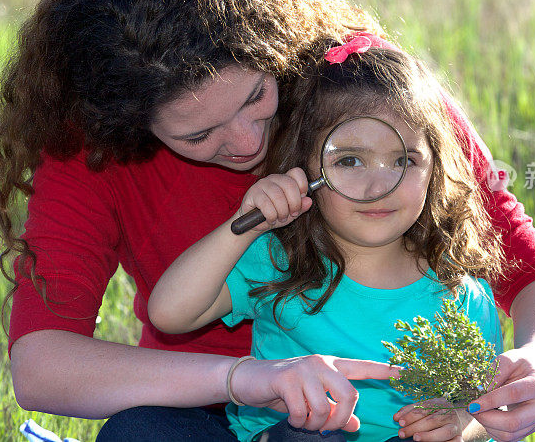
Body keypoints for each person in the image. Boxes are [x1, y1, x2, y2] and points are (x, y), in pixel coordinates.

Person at [0, 0, 535, 442]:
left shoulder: (360, 93)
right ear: (128, 125)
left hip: (365, 424)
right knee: (140, 432)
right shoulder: (93, 146)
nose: (248, 144)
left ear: (270, 44)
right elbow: (42, 367)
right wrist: (243, 377)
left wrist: (532, 365)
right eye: (198, 137)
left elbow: (532, 272)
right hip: (206, 409)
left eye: (256, 96)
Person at [148, 33, 506, 442]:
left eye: (404, 161)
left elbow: (490, 411)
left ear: (434, 170)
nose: (377, 186)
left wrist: (462, 424)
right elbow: (169, 314)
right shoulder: (280, 259)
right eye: (349, 161)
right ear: (304, 171)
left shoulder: (460, 293)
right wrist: (243, 225)